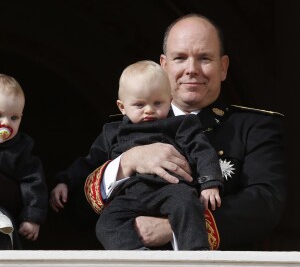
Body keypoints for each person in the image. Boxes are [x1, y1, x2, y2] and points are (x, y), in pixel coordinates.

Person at [85, 13, 287, 250]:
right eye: (180, 58)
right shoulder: (123, 126)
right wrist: (127, 162)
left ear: (223, 67)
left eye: (204, 58)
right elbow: (75, 205)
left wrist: (174, 226)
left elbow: (265, 204)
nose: (192, 69)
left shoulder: (253, 127)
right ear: (163, 66)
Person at [94, 60, 223, 250]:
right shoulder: (112, 132)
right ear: (122, 107)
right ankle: (136, 256)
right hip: (132, 194)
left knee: (188, 203)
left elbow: (201, 150)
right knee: (106, 222)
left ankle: (196, 257)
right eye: (139, 104)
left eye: (157, 103)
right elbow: (89, 163)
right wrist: (65, 182)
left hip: (171, 190)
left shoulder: (182, 124)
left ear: (169, 100)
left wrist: (210, 182)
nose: (149, 110)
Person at [0, 74, 48, 249]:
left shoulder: (20, 150)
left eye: (14, 118)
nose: (6, 123)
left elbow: (33, 182)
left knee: (4, 228)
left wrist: (32, 217)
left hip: (2, 213)